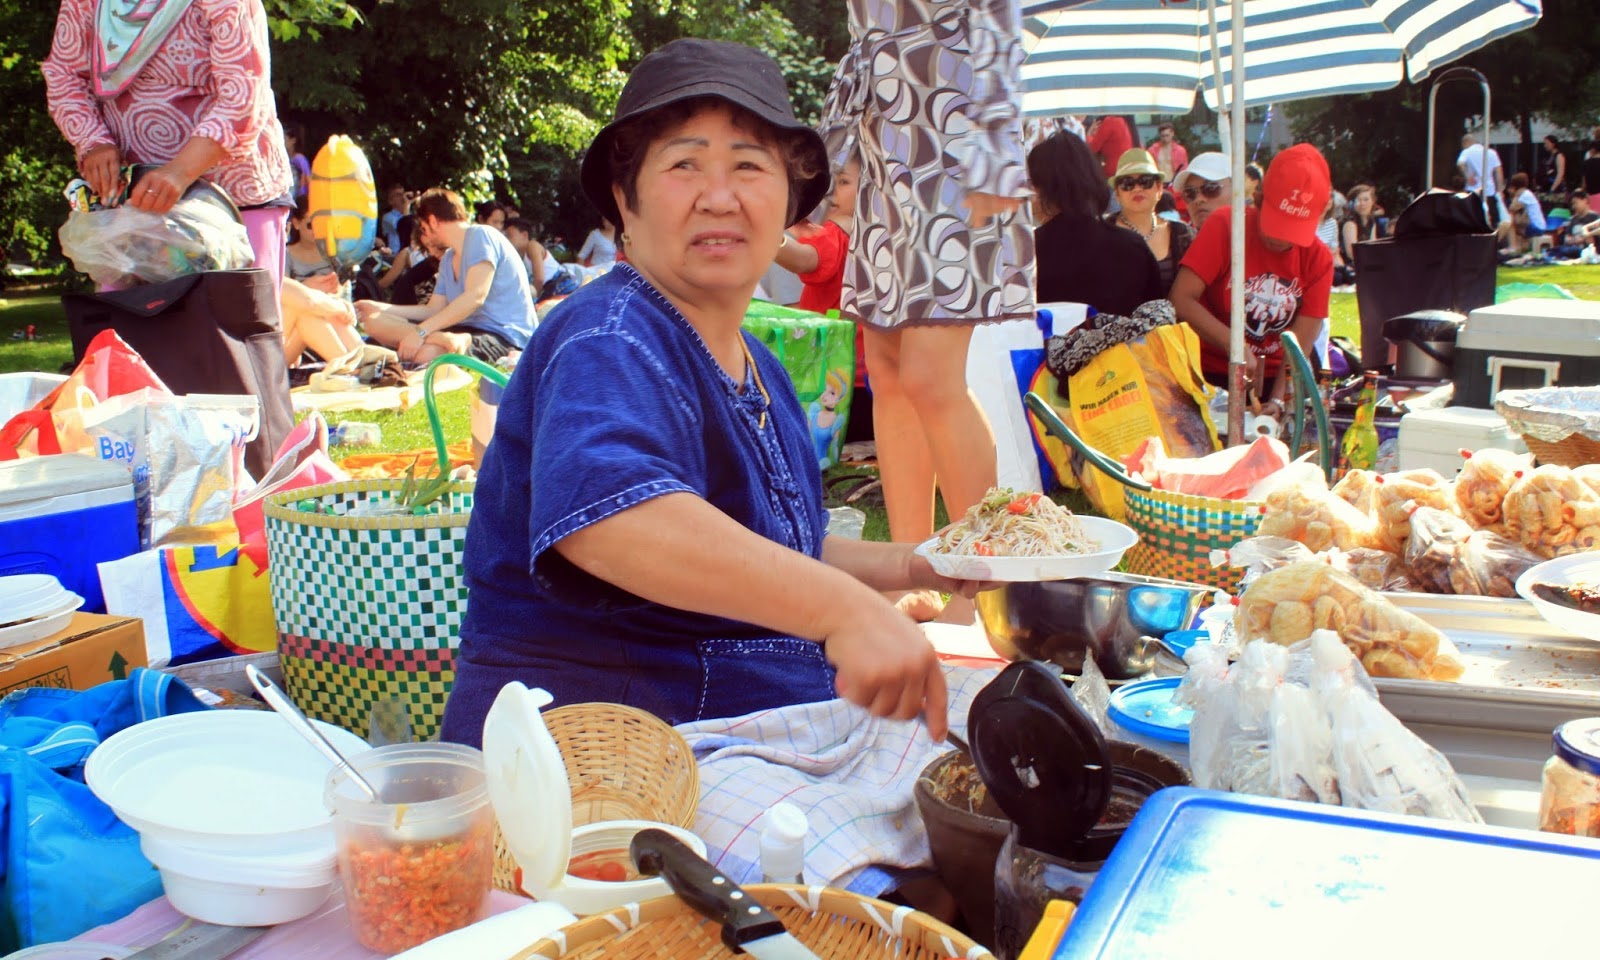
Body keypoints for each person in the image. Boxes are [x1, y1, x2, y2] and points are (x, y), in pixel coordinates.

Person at [437, 38, 972, 750]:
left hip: (741, 723)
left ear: (789, 205)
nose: (719, 196)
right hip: (600, 755)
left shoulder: (765, 371)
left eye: (749, 166)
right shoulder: (608, 335)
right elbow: (613, 519)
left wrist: (910, 564)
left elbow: (777, 550)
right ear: (625, 203)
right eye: (684, 164)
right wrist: (844, 611)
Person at [819, 0, 1033, 624]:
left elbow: (997, 14)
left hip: (955, 153)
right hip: (887, 161)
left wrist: (995, 146)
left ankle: (979, 591)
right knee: (886, 374)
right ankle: (907, 577)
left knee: (930, 378)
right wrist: (824, 159)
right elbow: (865, 43)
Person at [42, 0, 295, 294]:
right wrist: (93, 141)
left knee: (234, 327)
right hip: (134, 200)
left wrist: (179, 172)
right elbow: (64, 74)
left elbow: (243, 96)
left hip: (235, 197)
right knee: (127, 330)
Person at [1170, 143, 1333, 423]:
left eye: (1294, 230)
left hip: (1272, 381)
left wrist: (1279, 400)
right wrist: (1235, 346)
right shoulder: (1226, 225)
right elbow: (1181, 299)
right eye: (1276, 224)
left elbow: (1300, 344)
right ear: (1257, 199)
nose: (1282, 239)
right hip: (1206, 375)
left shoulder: (1319, 259)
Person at [355, 188, 534, 364]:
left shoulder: (482, 235)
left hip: (503, 337)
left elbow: (475, 297)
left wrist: (421, 332)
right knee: (373, 322)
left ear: (432, 221)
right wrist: (378, 307)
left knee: (426, 354)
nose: (424, 236)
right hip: (460, 332)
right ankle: (442, 339)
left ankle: (444, 341)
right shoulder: (448, 258)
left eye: (423, 228)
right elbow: (433, 310)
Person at [1029, 132, 1161, 315]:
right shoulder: (1133, 246)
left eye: (1029, 183)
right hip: (1131, 343)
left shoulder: (1028, 254)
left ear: (1041, 188)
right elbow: (1158, 318)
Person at [775, 156, 857, 314]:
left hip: (828, 337)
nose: (831, 191)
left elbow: (802, 260)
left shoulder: (838, 232)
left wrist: (767, 233)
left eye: (843, 182)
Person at [1106, 148, 1192, 294]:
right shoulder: (1102, 234)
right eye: (1127, 183)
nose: (1137, 188)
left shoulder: (1182, 234)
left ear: (1159, 188)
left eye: (1145, 182)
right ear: (1117, 193)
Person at [280, 276, 363, 366]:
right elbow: (308, 301)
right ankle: (352, 366)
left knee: (324, 308)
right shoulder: (266, 271)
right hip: (267, 361)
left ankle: (362, 361)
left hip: (273, 353)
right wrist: (342, 307)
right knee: (315, 308)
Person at [1172, 151, 1232, 233]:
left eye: (1210, 188)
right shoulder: (1179, 242)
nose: (1198, 199)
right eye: (1190, 193)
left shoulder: (1252, 239)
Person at [1339, 183, 1386, 274]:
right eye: (1358, 200)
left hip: (1364, 261)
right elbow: (1351, 253)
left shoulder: (1371, 221)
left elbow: (1372, 246)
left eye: (1366, 200)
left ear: (1372, 201)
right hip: (1349, 265)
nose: (1362, 204)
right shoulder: (1350, 223)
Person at [1506, 171, 1547, 254]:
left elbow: (1511, 209)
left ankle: (1513, 247)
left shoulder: (1524, 195)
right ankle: (1519, 247)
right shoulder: (1528, 194)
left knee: (1509, 224)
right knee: (1516, 224)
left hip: (1536, 227)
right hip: (1539, 226)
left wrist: (1514, 196)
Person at [1086, 115, 1134, 179]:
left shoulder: (1110, 120)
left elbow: (1092, 148)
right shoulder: (1126, 122)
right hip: (1130, 170)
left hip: (1114, 173)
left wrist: (1089, 134)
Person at [284, 122, 312, 200]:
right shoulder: (285, 158)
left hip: (299, 197)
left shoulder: (299, 159)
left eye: (285, 139)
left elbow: (308, 178)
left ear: (293, 140)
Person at [380, 186, 410, 255]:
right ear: (391, 201)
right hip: (395, 255)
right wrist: (407, 205)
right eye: (398, 195)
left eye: (403, 194)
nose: (403, 197)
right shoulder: (387, 217)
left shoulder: (409, 215)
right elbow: (403, 228)